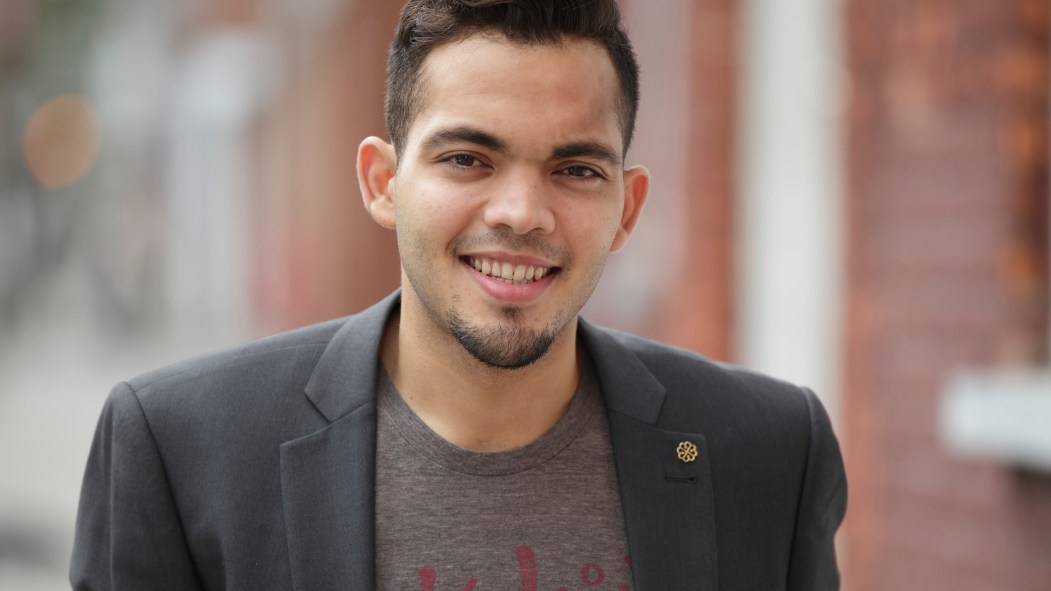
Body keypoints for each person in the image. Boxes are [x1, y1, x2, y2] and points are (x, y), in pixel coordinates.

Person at [71, 0, 847, 589]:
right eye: (468, 158)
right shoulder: (180, 450)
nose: (521, 212)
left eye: (576, 169)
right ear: (382, 183)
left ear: (627, 208)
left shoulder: (770, 452)